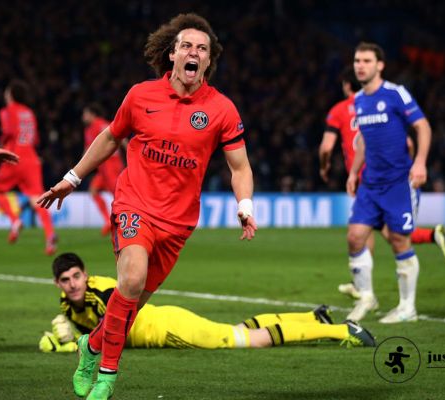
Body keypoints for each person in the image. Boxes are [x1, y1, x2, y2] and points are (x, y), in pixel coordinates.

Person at [37, 13, 258, 399]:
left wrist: (246, 204)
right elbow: (110, 138)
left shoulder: (222, 109)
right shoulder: (141, 95)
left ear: (209, 61)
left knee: (131, 305)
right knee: (132, 279)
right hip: (135, 205)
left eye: (202, 49)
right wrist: (72, 179)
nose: (194, 53)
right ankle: (106, 375)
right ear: (172, 54)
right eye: (187, 46)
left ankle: (90, 346)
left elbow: (239, 165)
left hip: (178, 223)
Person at [40, 253, 375, 354]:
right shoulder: (68, 303)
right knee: (241, 329)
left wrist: (71, 345)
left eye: (76, 277)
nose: (72, 285)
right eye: (66, 280)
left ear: (86, 275)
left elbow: (110, 332)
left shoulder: (104, 292)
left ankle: (341, 331)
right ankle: (310, 318)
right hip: (165, 320)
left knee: (246, 340)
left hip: (167, 330)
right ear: (58, 283)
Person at [318, 67, 445, 300]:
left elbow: (326, 147)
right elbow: (408, 143)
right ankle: (431, 237)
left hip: (373, 178)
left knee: (377, 233)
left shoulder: (342, 109)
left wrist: (324, 166)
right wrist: (411, 164)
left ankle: (364, 289)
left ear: (345, 85)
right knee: (376, 231)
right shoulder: (366, 103)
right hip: (382, 175)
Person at [344, 42, 432, 324]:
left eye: (367, 61)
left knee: (398, 241)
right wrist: (354, 172)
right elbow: (364, 142)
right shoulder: (359, 99)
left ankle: (408, 307)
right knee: (355, 237)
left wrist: (419, 162)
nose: (360, 65)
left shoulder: (395, 93)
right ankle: (367, 297)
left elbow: (423, 126)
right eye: (357, 60)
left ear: (380, 65)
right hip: (370, 183)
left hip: (398, 183)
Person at [0, 80, 57, 255]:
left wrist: (0, 146)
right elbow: (35, 140)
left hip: (13, 157)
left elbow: (9, 132)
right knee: (38, 199)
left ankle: (15, 221)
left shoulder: (6, 111)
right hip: (32, 159)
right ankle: (50, 235)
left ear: (11, 95)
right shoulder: (29, 113)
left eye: (7, 93)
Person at [82, 103, 125, 236]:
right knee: (93, 190)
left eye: (85, 114)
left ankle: (123, 223)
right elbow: (120, 137)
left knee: (118, 196)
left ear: (92, 114)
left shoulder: (94, 127)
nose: (83, 117)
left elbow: (89, 150)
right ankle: (107, 221)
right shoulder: (106, 123)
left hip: (109, 165)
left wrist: (80, 166)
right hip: (107, 166)